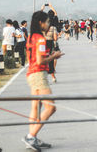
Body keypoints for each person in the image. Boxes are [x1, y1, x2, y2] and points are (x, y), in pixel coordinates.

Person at [22, 11, 63, 151]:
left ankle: (32, 137)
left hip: (31, 74)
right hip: (39, 75)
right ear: (41, 23)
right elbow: (40, 61)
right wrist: (54, 56)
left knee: (36, 107)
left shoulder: (31, 37)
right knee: (51, 107)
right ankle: (31, 136)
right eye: (47, 22)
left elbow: (33, 59)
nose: (48, 24)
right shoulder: (40, 39)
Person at [45, 15, 58, 83]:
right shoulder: (53, 28)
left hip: (42, 44)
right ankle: (53, 77)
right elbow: (55, 38)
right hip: (50, 43)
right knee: (50, 60)